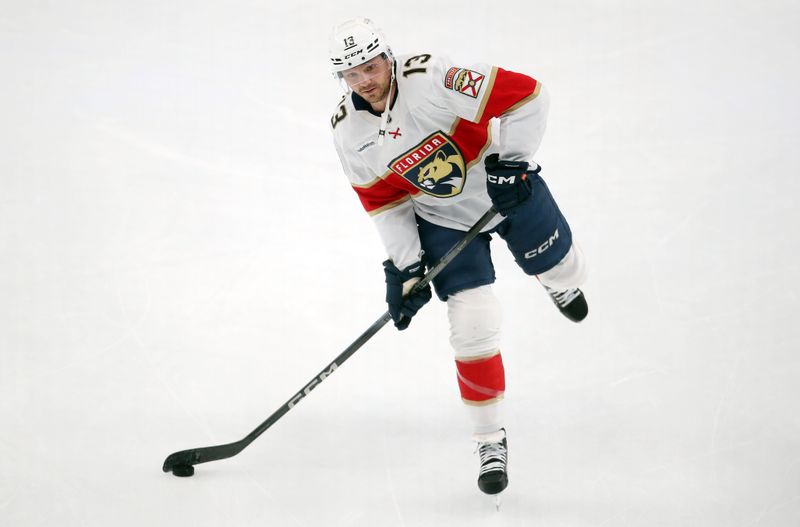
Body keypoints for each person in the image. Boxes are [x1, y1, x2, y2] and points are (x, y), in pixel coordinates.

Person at [328, 17, 588, 497]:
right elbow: (384, 204)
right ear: (340, 79)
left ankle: (556, 280)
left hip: (503, 192)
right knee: (472, 327)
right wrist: (405, 268)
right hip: (442, 219)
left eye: (371, 64)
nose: (366, 79)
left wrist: (510, 162)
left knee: (562, 265)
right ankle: (489, 439)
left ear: (388, 55)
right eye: (352, 74)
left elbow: (529, 96)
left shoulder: (431, 78)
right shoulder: (348, 132)